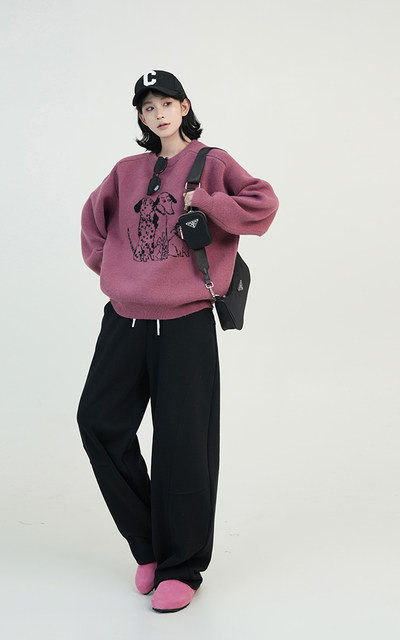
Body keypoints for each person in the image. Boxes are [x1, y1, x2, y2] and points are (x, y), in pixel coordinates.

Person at [77, 70, 278, 613]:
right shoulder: (126, 171)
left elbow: (262, 204)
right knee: (98, 422)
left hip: (185, 323)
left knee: (182, 444)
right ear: (141, 117)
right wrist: (114, 268)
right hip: (124, 320)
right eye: (148, 107)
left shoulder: (212, 163)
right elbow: (92, 222)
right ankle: (148, 545)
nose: (158, 114)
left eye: (166, 103)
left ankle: (181, 567)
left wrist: (208, 202)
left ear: (184, 106)